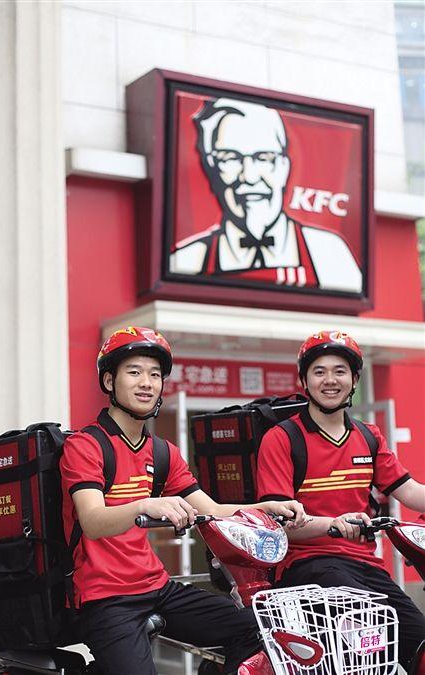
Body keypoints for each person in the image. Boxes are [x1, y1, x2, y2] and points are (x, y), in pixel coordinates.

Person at [60, 325, 308, 675]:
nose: (146, 382)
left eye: (155, 374)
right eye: (134, 372)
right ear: (108, 382)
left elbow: (213, 510)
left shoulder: (162, 452)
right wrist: (145, 505)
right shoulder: (85, 445)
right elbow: (93, 520)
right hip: (106, 598)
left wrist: (265, 507)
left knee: (258, 632)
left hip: (157, 587)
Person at [256, 329, 425, 672]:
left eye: (340, 371)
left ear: (354, 379)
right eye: (319, 371)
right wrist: (332, 524)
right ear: (304, 380)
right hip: (307, 565)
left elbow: (409, 491)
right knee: (369, 642)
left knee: (417, 637)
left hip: (366, 566)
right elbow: (278, 525)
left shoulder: (368, 436)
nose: (329, 380)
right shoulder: (281, 438)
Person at [169, 98, 362, 294]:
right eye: (230, 158)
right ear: (211, 168)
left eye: (264, 158)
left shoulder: (330, 254)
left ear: (284, 167)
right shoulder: (187, 259)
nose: (250, 177)